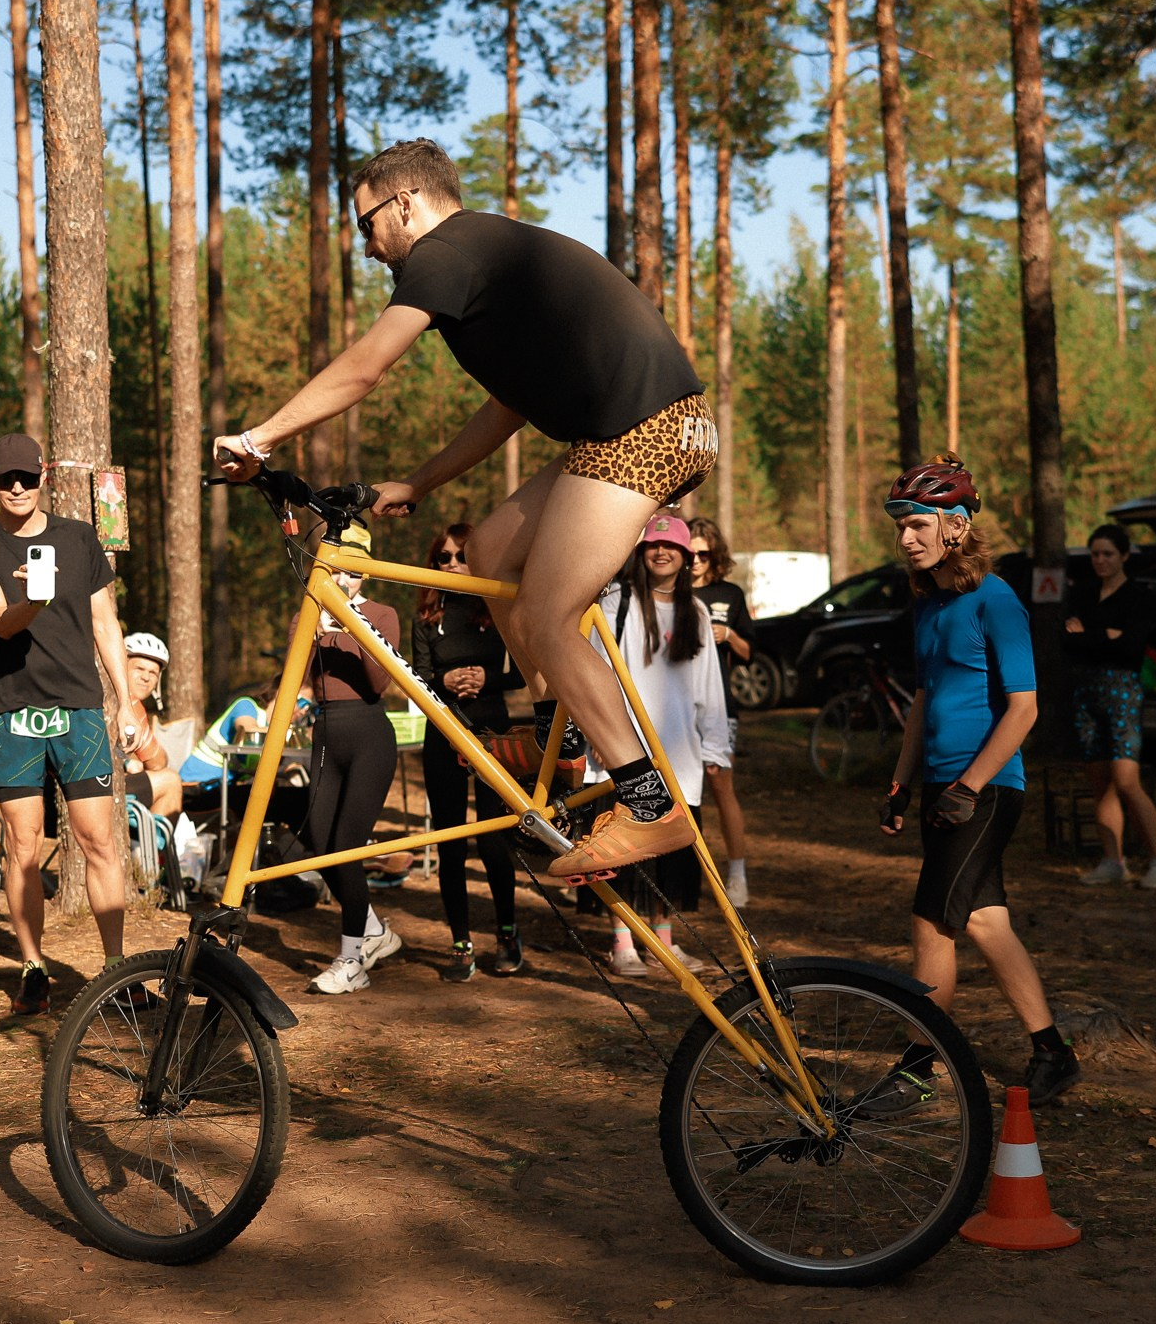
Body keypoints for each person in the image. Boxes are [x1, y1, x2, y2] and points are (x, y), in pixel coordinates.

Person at [213, 137, 713, 885]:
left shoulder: (444, 251)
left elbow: (366, 368)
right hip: (630, 426)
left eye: (367, 226)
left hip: (647, 428)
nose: (368, 248)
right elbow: (508, 406)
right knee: (490, 552)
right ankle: (559, 733)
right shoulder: (484, 261)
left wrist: (258, 438)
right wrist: (417, 481)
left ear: (405, 204)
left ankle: (649, 804)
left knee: (547, 613)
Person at [873, 458, 1080, 1109]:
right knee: (987, 922)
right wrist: (900, 784)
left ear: (957, 526)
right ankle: (1054, 1053)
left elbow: (1025, 709)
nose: (907, 538)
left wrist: (967, 786)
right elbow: (924, 702)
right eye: (902, 527)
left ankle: (917, 1069)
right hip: (944, 786)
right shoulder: (929, 604)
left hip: (985, 790)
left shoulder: (996, 601)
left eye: (918, 525)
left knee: (932, 922)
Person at [0, 433, 139, 1016]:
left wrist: (127, 701)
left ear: (43, 478)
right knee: (23, 844)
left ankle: (117, 969)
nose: (17, 488)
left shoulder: (80, 538)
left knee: (99, 840)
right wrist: (33, 597)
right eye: (6, 478)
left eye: (27, 478)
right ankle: (33, 969)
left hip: (79, 707)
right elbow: (1, 622)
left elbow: (106, 622)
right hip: (9, 709)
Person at [595, 515, 731, 977]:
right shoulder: (617, 602)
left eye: (671, 547)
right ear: (641, 553)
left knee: (671, 854)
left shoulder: (697, 613)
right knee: (623, 851)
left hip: (680, 756)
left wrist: (715, 747)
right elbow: (593, 669)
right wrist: (597, 734)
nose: (661, 552)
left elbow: (709, 686)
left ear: (686, 557)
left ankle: (662, 942)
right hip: (622, 750)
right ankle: (622, 943)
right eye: (653, 545)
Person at [412, 522, 524, 980]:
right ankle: (461, 942)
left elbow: (521, 672)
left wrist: (486, 679)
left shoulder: (498, 604)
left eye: (463, 556)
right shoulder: (426, 617)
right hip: (443, 734)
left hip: (492, 732)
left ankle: (507, 933)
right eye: (445, 557)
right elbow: (417, 677)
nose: (454, 564)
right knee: (450, 841)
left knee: (494, 839)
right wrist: (444, 680)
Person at [301, 524, 407, 995]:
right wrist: (314, 631)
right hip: (325, 733)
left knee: (347, 845)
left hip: (369, 734)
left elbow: (380, 681)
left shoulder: (382, 614)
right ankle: (374, 930)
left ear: (365, 574)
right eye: (337, 570)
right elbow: (294, 676)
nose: (345, 580)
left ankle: (351, 961)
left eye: (354, 572)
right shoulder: (309, 610)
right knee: (319, 841)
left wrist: (353, 624)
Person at [1063, 524, 1156, 890]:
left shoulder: (1139, 597)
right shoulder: (1083, 593)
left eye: (1108, 554)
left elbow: (1131, 646)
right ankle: (1113, 860)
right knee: (1100, 782)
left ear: (1124, 556)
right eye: (1095, 554)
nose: (1100, 560)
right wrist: (1105, 636)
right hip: (1086, 693)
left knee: (1127, 780)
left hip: (1122, 693)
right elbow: (1067, 642)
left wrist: (1089, 635)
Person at [686, 516, 754, 908]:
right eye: (690, 553)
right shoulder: (670, 592)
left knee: (721, 786)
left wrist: (728, 634)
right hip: (674, 707)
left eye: (703, 554)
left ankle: (737, 874)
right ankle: (685, 874)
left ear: (715, 555)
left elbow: (749, 653)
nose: (695, 561)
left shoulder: (730, 594)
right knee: (676, 791)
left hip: (719, 706)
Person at [120, 631, 184, 818]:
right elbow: (157, 763)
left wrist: (126, 760)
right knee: (170, 781)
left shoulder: (133, 704)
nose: (146, 678)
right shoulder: (128, 703)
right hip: (94, 790)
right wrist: (128, 761)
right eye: (139, 669)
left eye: (153, 673)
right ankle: (158, 839)